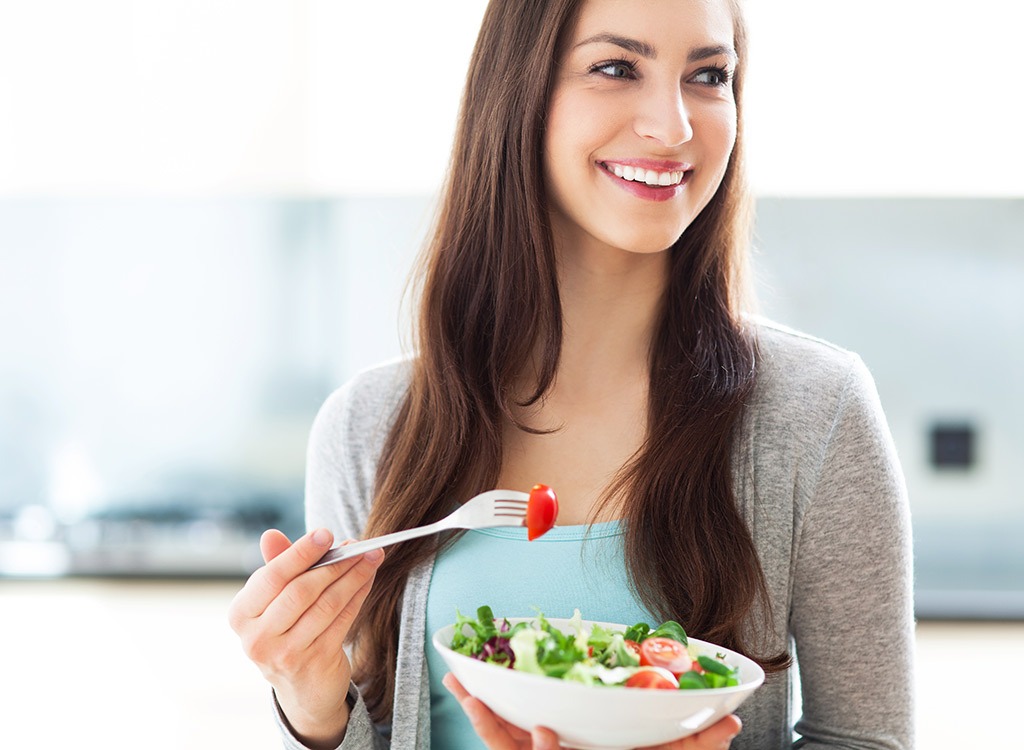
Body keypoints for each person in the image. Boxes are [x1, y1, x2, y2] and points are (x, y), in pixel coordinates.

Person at [228, 0, 915, 747]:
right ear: (517, 91)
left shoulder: (817, 413)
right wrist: (313, 707)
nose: (674, 124)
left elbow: (868, 739)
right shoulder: (371, 425)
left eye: (709, 75)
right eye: (616, 68)